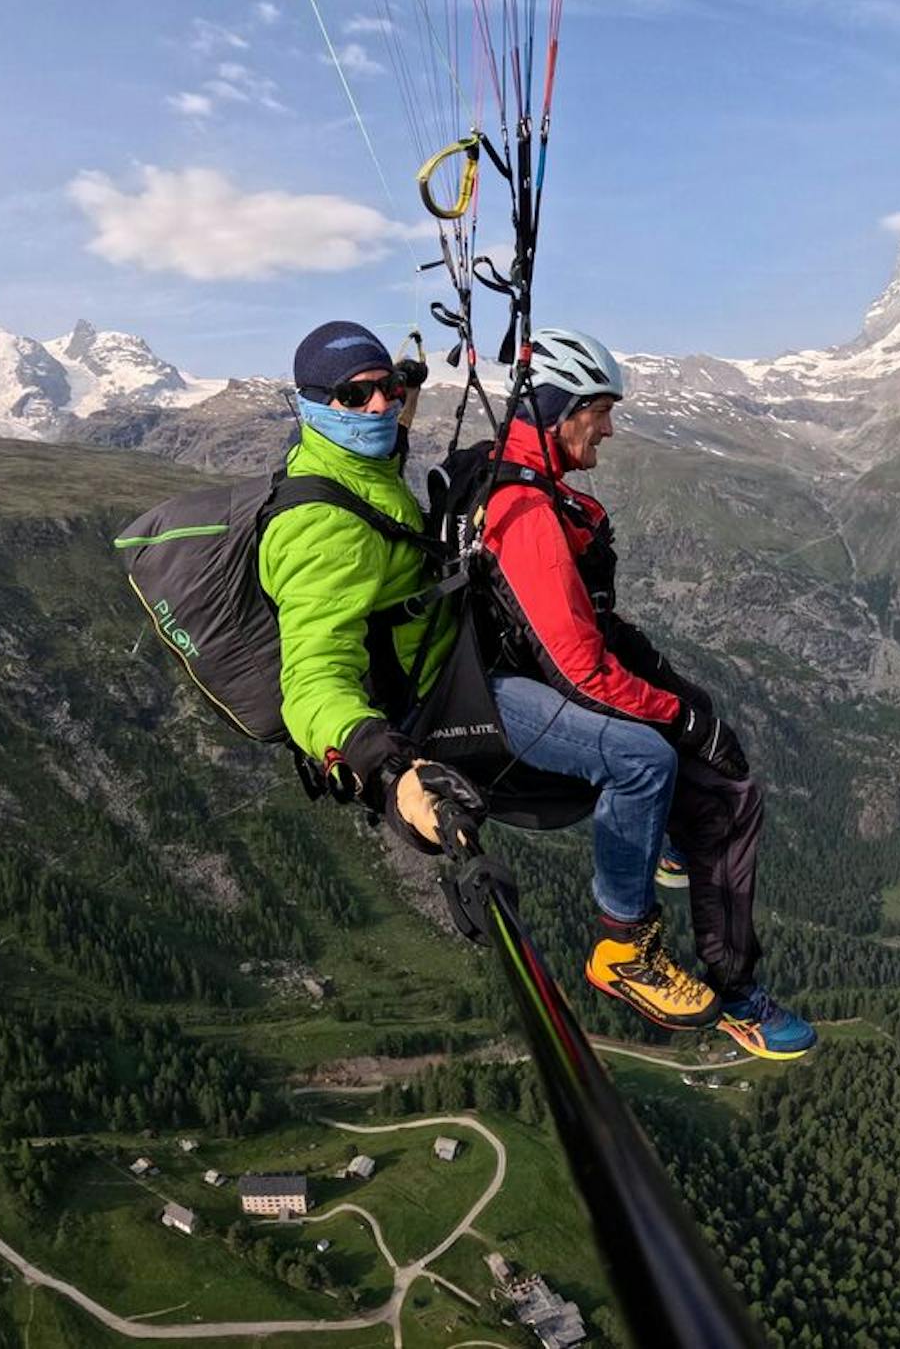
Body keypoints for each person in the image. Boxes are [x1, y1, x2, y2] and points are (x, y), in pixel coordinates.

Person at [477, 328, 816, 1059]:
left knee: (732, 794)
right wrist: (684, 718)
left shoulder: (549, 496)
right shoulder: (527, 512)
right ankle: (622, 949)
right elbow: (580, 672)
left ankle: (735, 991)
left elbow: (595, 630)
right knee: (645, 758)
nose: (608, 426)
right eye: (598, 409)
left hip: (536, 674)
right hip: (503, 695)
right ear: (557, 408)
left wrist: (682, 692)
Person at [258, 320, 482, 854]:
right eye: (355, 394)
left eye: (389, 389)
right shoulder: (321, 526)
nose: (379, 405)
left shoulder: (353, 462)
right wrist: (385, 767)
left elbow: (391, 438)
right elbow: (312, 679)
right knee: (637, 758)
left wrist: (411, 389)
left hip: (446, 658)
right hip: (428, 702)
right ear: (311, 405)